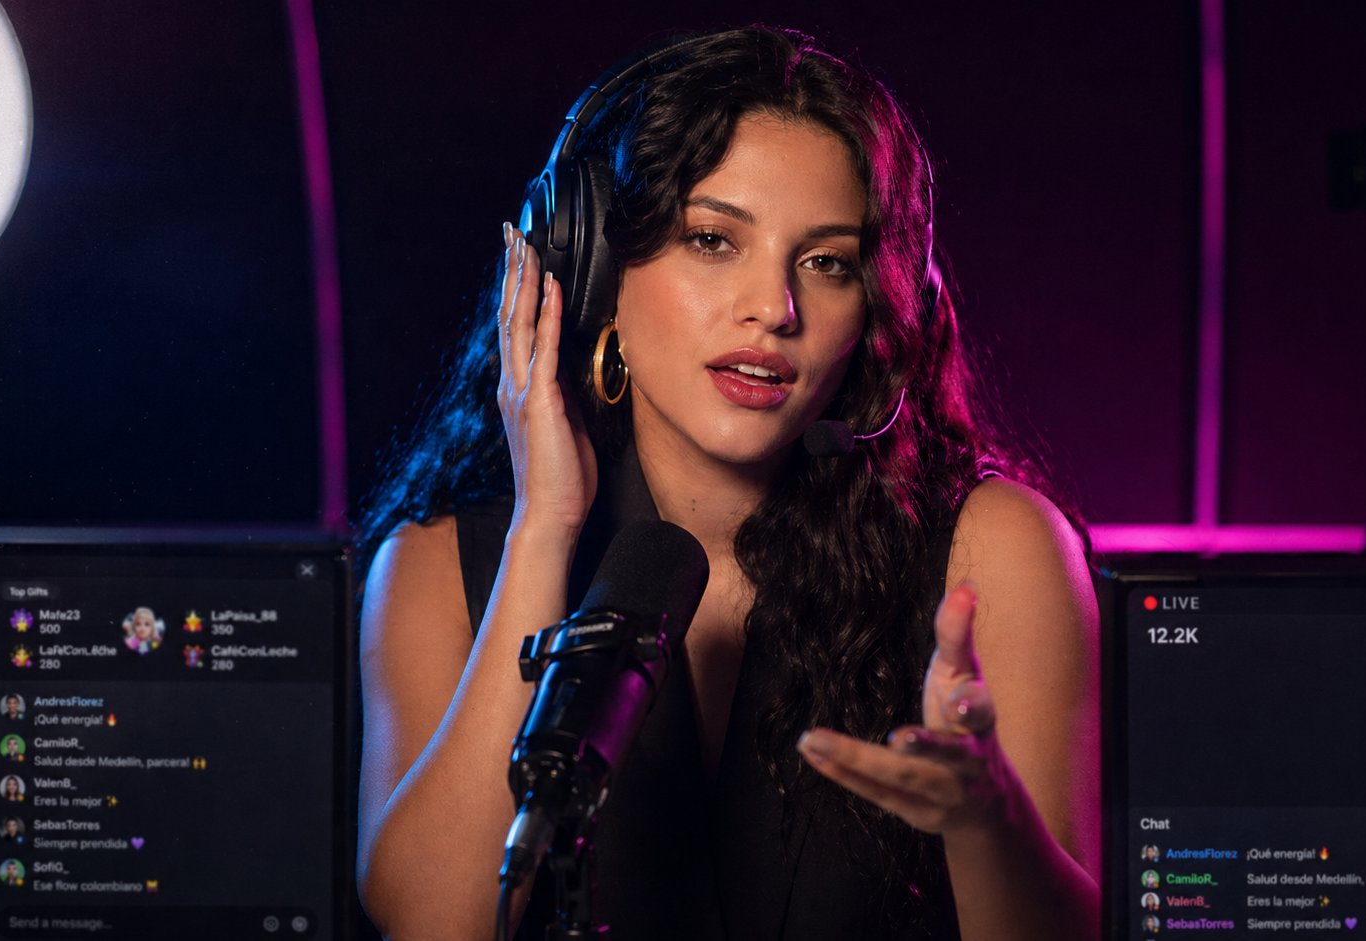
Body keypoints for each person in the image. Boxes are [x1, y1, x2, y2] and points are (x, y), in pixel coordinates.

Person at [355, 26, 1099, 941]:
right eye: (713, 239)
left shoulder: (995, 553)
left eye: (826, 261)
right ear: (595, 272)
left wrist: (990, 821)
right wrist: (545, 526)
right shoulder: (436, 564)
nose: (775, 308)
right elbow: (435, 924)